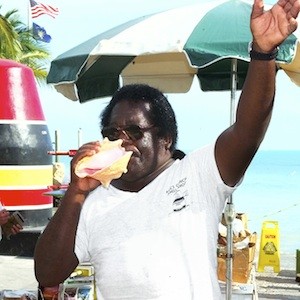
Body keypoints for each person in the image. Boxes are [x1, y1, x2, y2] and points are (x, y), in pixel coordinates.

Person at [34, 0, 300, 298]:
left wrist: (263, 56)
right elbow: (48, 274)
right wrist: (75, 193)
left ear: (166, 139)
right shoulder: (94, 202)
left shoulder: (198, 174)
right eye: (112, 132)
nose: (122, 141)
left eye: (135, 132)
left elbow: (248, 132)